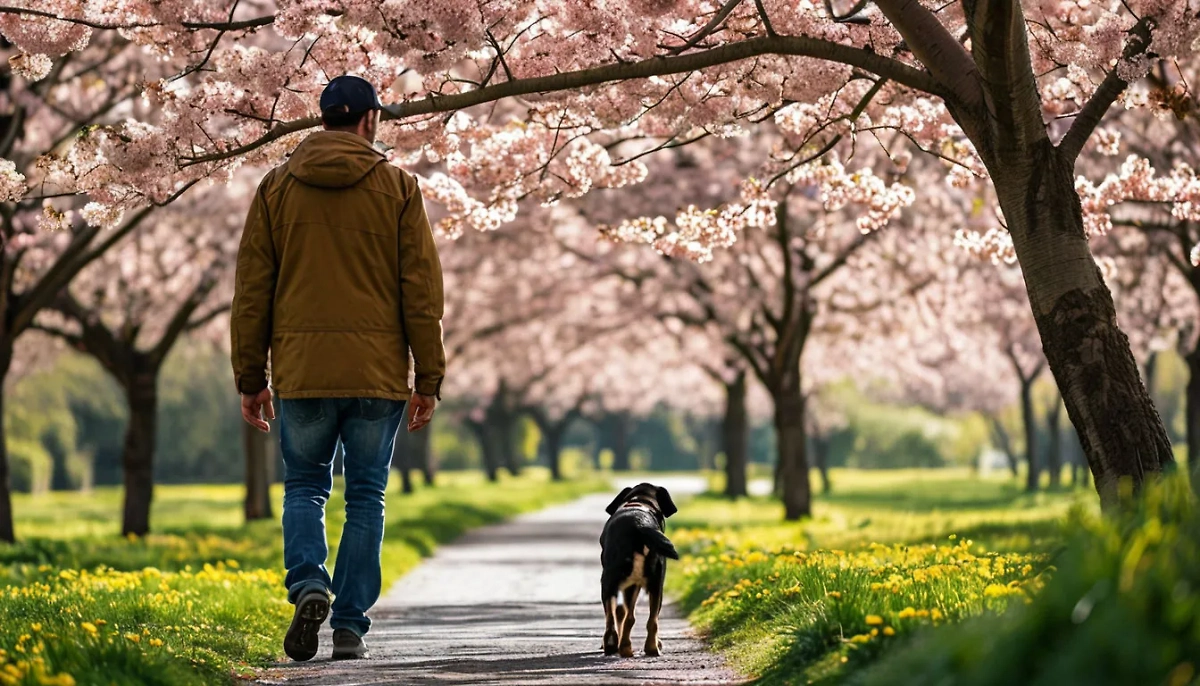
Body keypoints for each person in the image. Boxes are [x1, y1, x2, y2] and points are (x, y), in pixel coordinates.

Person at [230, 74, 446, 662]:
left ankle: (308, 583)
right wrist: (428, 378)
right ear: (370, 119)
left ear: (322, 119)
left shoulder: (276, 188)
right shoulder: (399, 187)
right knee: (367, 496)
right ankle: (349, 626)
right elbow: (421, 291)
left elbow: (252, 291)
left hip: (301, 370)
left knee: (304, 486)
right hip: (377, 373)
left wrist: (251, 378)